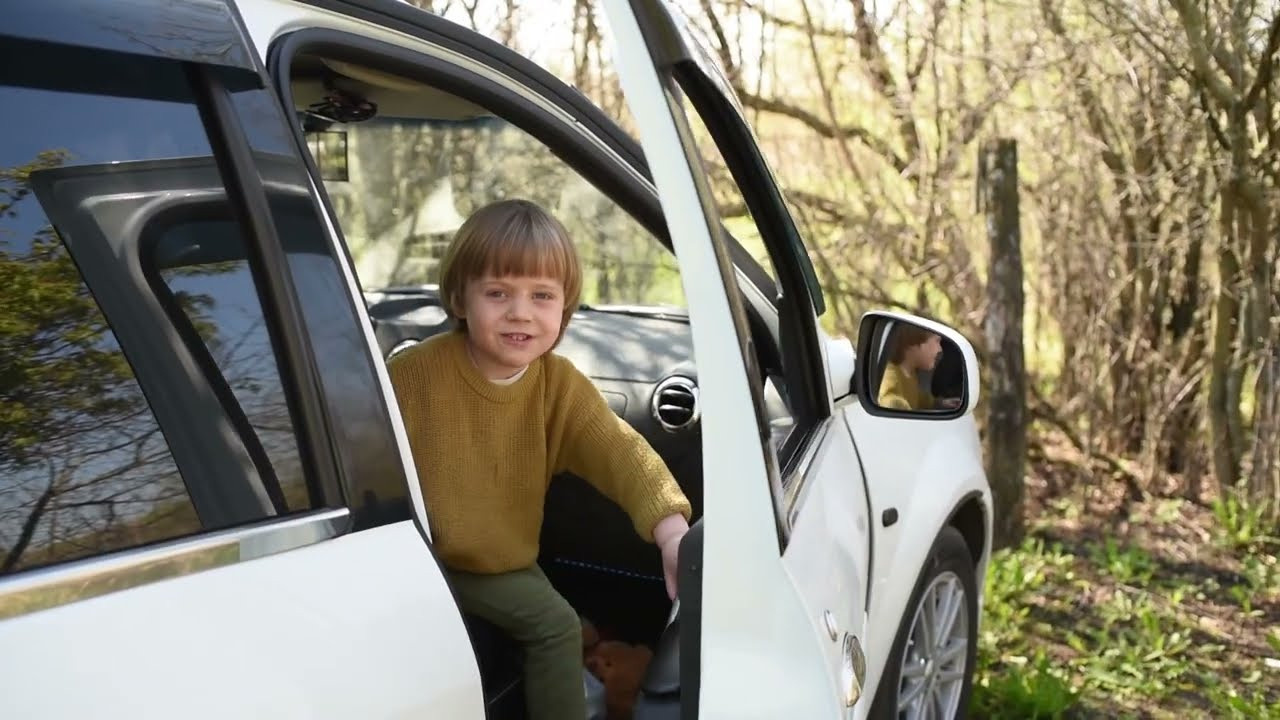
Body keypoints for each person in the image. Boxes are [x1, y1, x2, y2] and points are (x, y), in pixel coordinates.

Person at [387, 199, 692, 720]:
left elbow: (621, 452)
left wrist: (670, 530)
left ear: (564, 310)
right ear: (461, 299)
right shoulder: (414, 375)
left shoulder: (557, 385)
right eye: (498, 293)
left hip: (502, 565)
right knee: (555, 626)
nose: (520, 312)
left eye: (542, 296)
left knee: (575, 625)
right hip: (423, 563)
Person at [878, 324, 946, 411]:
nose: (940, 349)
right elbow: (888, 398)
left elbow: (918, 398)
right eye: (937, 341)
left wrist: (939, 403)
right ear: (915, 342)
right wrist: (902, 409)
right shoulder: (890, 372)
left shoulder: (910, 373)